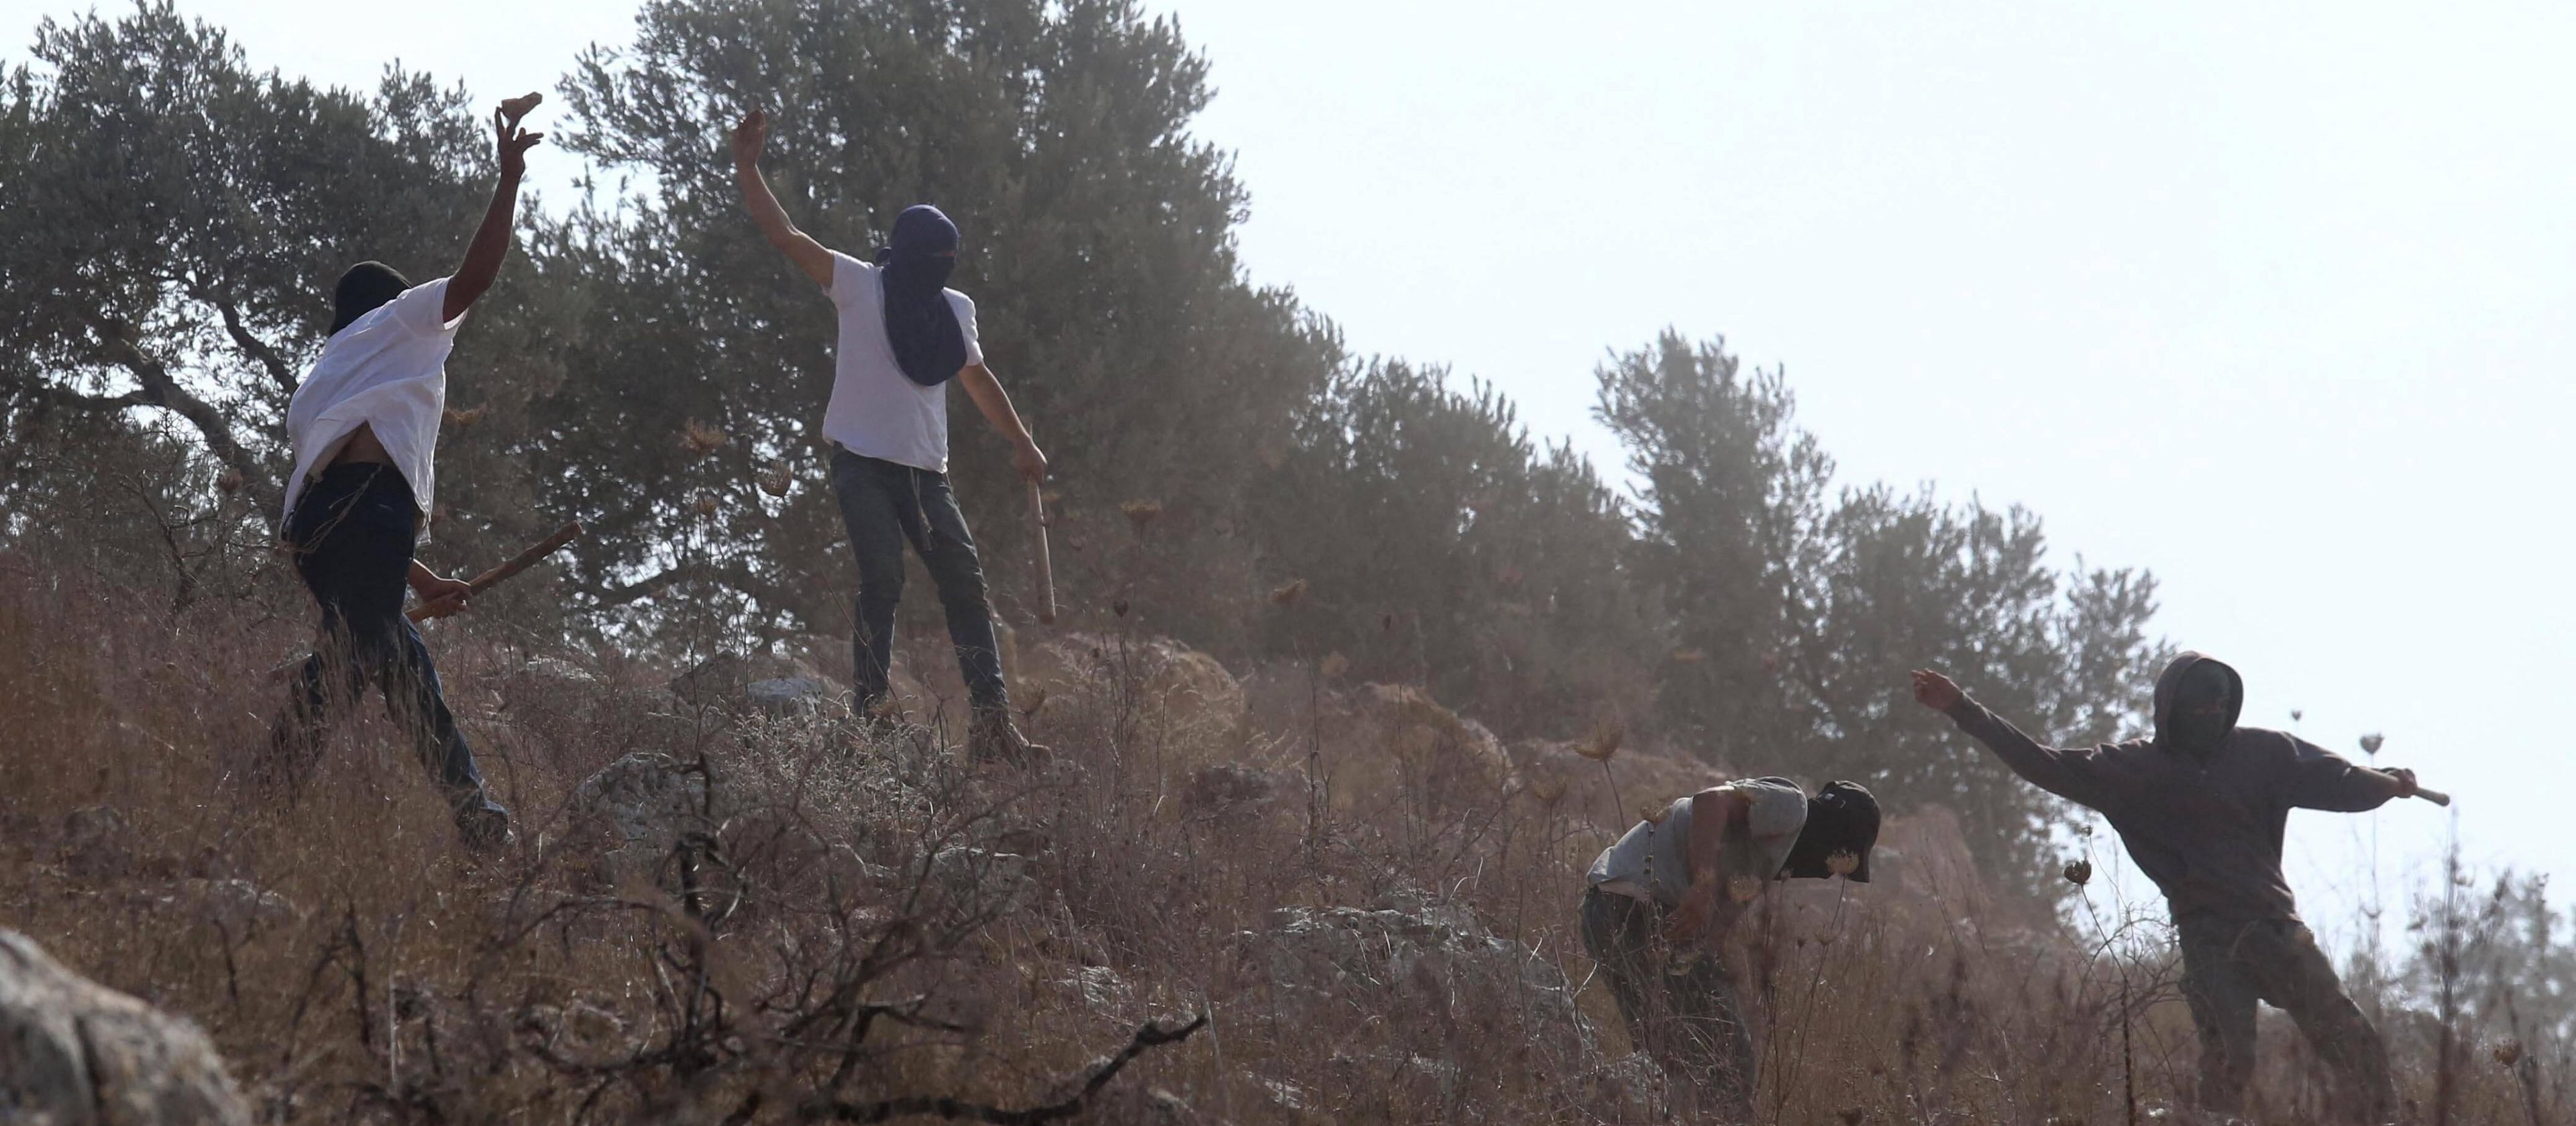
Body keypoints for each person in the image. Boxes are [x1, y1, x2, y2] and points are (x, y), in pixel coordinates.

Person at [1911, 654, 2410, 1124]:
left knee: (2349, 1037)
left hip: (2279, 926)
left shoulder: (2265, 753)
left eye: (2219, 704)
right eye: (2199, 706)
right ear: (2171, 708)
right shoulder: (2133, 769)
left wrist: (2385, 781)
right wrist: (1963, 709)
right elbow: (2042, 763)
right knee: (2228, 1061)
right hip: (2209, 935)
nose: (2211, 714)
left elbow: (2342, 781)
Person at [264, 93, 547, 851]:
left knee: (400, 663)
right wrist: (509, 179)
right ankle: (260, 800)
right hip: (368, 515)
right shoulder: (397, 321)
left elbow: (335, 495)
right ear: (391, 304)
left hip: (317, 537)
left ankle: (474, 814)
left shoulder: (326, 372)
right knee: (351, 659)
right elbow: (476, 275)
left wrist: (418, 580)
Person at [729, 107, 1049, 763]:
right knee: (881, 578)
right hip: (862, 465)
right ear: (904, 254)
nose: (942, 267)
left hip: (927, 473)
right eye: (933, 258)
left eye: (949, 260)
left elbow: (978, 379)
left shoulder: (953, 310)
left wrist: (1021, 441)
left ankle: (993, 726)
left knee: (965, 586)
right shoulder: (857, 284)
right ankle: (869, 710)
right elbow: (785, 234)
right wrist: (747, 167)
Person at [1580, 777, 1880, 1119]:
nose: (1829, 875)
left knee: (1664, 1062)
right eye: (1838, 858)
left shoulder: (1759, 862)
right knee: (1730, 1058)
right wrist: (1703, 884)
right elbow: (1710, 801)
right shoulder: (1794, 808)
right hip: (1637, 912)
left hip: (1602, 914)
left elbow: (1709, 939)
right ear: (1833, 832)